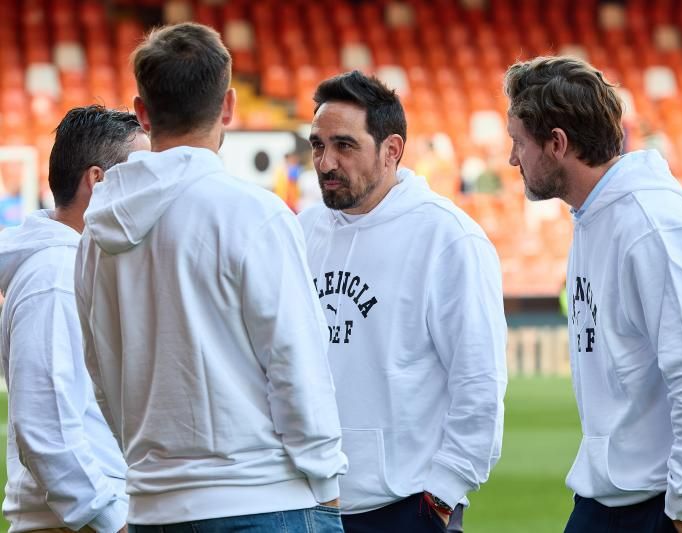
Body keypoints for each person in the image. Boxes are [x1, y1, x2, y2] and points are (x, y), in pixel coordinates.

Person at [73, 23, 347, 533]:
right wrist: (325, 474)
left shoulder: (94, 236)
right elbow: (295, 361)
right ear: (228, 106)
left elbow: (102, 374)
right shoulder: (254, 214)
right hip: (264, 500)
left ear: (142, 111)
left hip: (154, 504)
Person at [503, 56, 682, 533]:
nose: (512, 159)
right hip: (617, 495)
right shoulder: (595, 216)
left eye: (518, 143)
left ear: (557, 143)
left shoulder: (653, 224)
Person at [299, 70, 507, 533]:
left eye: (344, 146)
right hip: (310, 503)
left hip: (406, 507)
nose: (326, 162)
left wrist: (443, 493)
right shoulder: (304, 231)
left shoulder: (447, 238)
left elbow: (479, 383)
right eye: (317, 145)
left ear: (392, 150)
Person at [0, 105, 149, 533]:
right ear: (97, 181)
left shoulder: (77, 265)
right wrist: (112, 521)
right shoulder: (53, 276)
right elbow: (47, 429)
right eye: (140, 175)